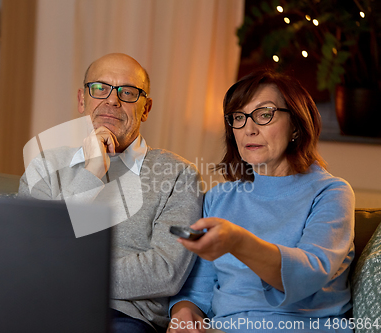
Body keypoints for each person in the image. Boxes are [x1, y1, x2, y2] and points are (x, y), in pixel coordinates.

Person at [18, 53, 203, 333]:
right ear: (82, 99)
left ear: (146, 108)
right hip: (43, 306)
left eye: (128, 92)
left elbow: (166, 271)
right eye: (100, 88)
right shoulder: (44, 166)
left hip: (122, 317)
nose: (112, 100)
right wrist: (91, 172)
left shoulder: (180, 174)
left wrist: (65, 271)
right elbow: (31, 254)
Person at [168, 69, 355, 333]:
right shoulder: (218, 198)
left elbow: (308, 274)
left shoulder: (332, 193)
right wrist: (184, 312)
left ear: (296, 126)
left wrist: (237, 241)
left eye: (264, 115)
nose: (249, 129)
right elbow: (197, 290)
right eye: (238, 118)